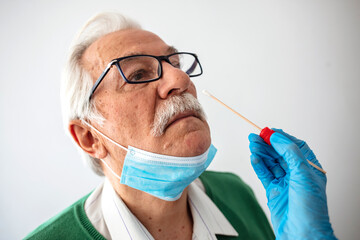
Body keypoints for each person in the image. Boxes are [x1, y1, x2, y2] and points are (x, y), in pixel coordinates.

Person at [25, 12, 337, 240]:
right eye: (136, 75)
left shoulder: (237, 195)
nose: (180, 79)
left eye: (175, 64)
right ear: (89, 137)